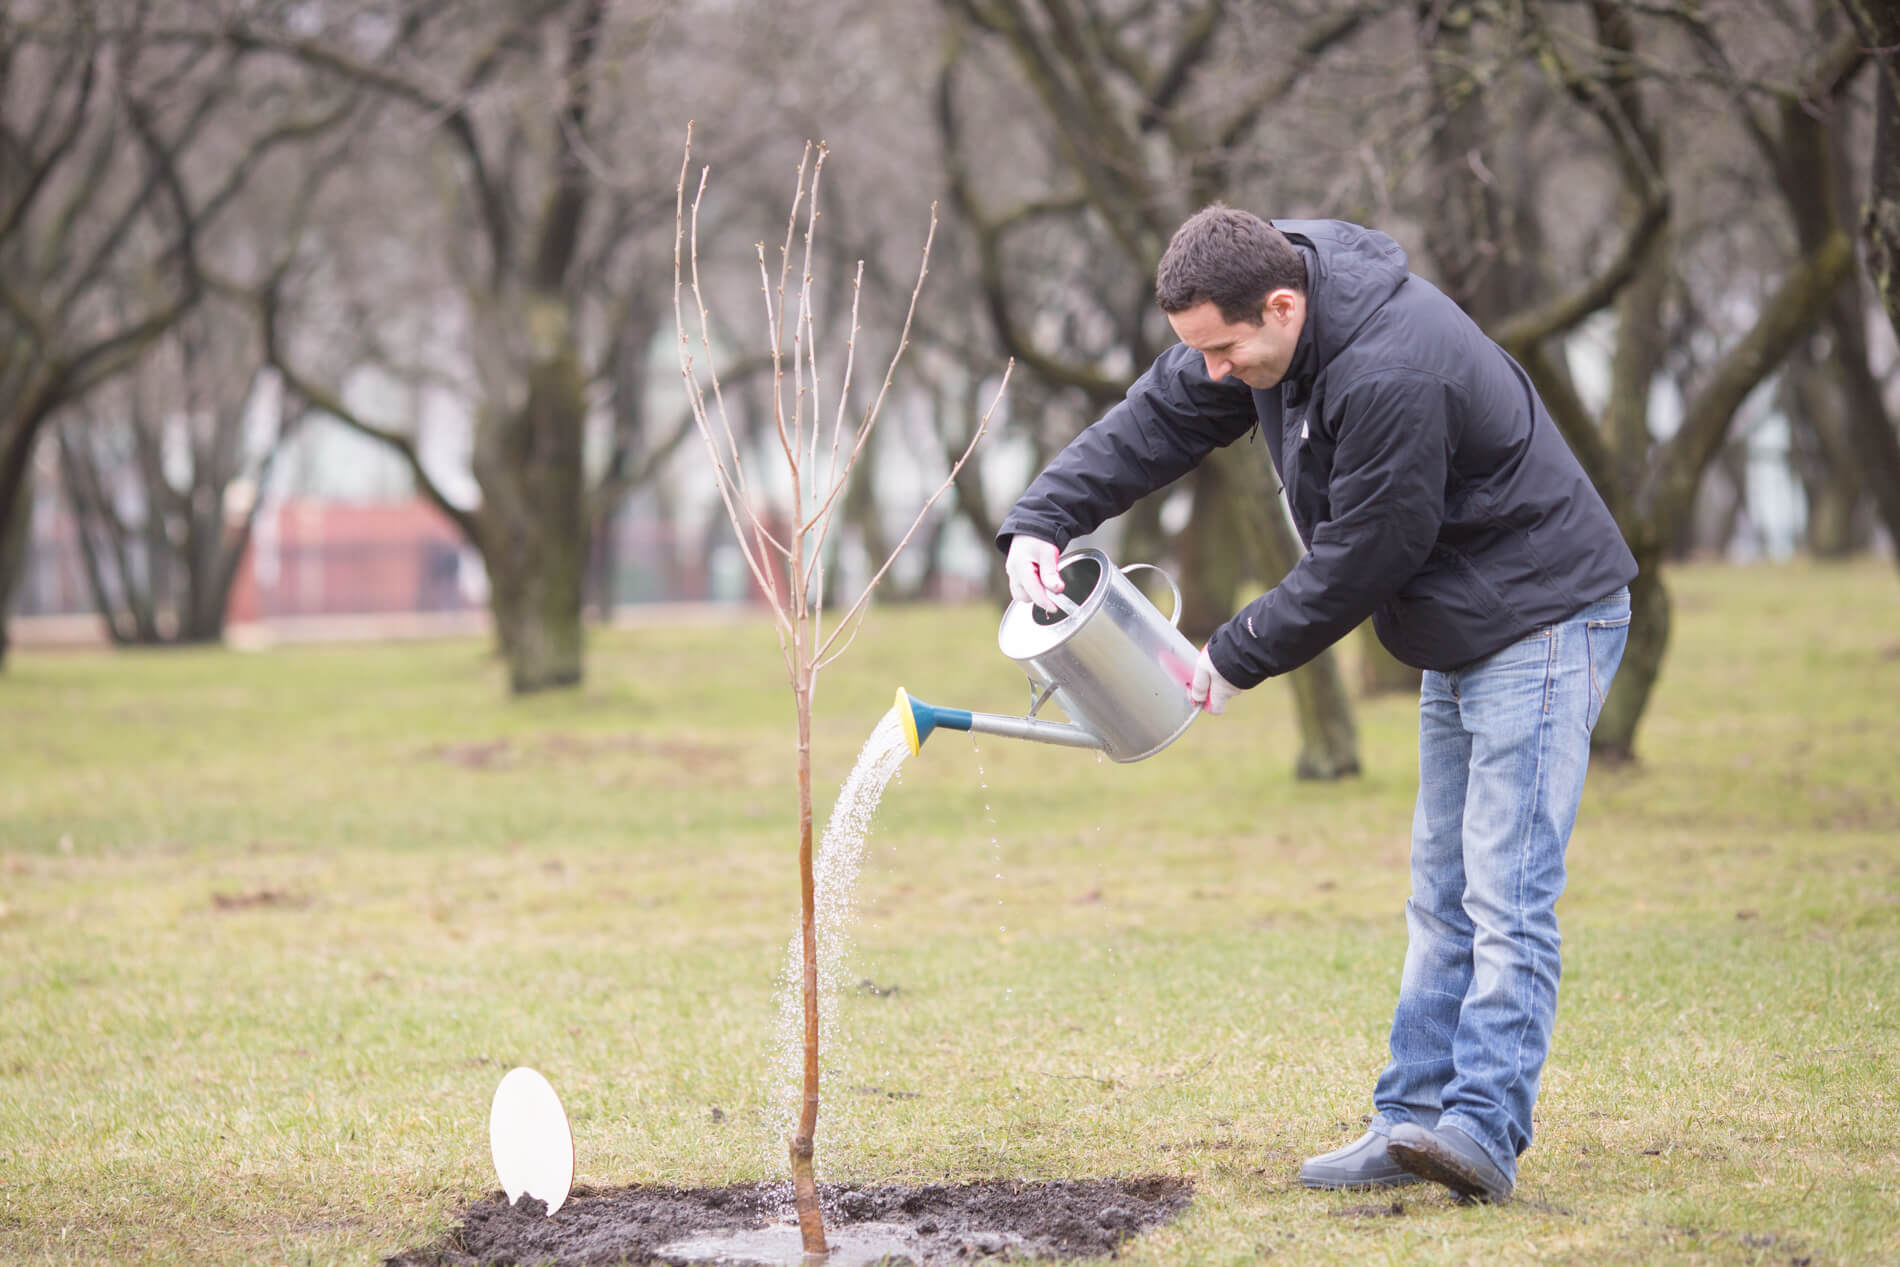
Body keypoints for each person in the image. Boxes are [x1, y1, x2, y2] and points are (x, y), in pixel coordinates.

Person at [996, 207, 1636, 1202]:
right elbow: (1163, 413)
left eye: (1222, 349)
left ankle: (1481, 1131)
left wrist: (1235, 653)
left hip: (1543, 619)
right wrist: (1044, 516)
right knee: (1440, 891)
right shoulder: (1267, 321)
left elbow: (1371, 548)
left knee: (1505, 893)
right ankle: (1408, 1120)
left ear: (1281, 306)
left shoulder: (1389, 369)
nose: (1211, 372)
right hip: (1464, 622)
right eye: (1196, 348)